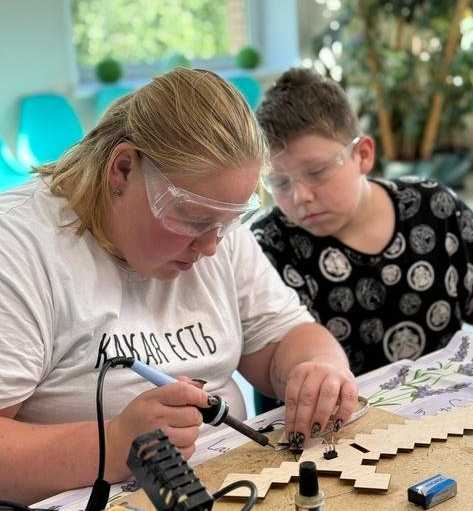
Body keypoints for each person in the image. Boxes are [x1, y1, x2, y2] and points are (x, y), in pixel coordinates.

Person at [0, 68, 357, 504]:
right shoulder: (19, 248)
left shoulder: (215, 223)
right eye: (192, 220)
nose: (211, 246)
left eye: (230, 222)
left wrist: (318, 369)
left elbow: (285, 338)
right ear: (122, 170)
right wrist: (116, 445)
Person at [251, 67, 473, 379]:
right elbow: (262, 355)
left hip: (445, 395)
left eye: (317, 172)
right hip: (335, 409)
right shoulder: (266, 245)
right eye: (279, 182)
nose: (300, 196)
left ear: (363, 155)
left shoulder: (432, 206)